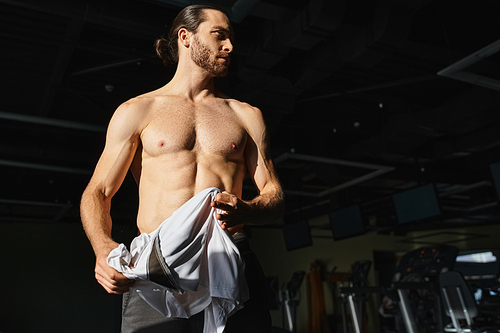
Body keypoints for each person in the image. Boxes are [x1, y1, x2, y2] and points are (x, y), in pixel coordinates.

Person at [80, 3, 284, 333]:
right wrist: (103, 247)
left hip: (231, 258)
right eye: (219, 35)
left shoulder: (247, 115)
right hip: (158, 264)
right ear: (185, 37)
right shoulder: (138, 110)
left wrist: (248, 210)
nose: (229, 46)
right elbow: (98, 192)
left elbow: (274, 193)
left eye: (230, 38)